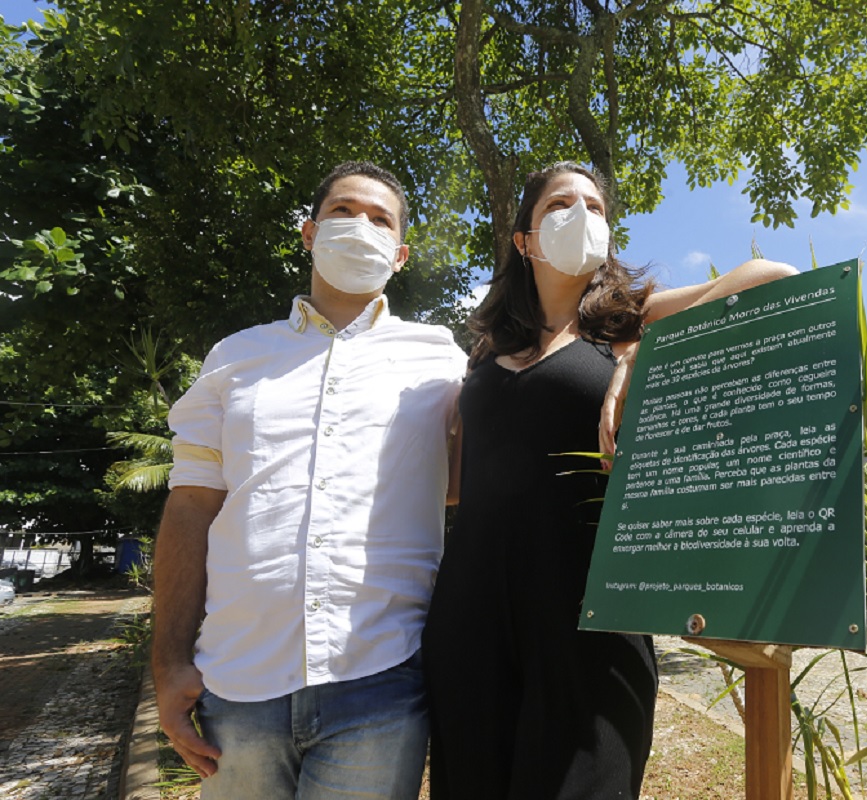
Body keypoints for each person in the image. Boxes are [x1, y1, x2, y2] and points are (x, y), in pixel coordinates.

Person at [421, 161, 796, 799]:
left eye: (595, 207)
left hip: (589, 611)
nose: (582, 216)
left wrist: (642, 355)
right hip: (470, 611)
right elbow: (457, 487)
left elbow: (775, 278)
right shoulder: (486, 349)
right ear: (524, 240)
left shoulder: (630, 321)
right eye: (560, 204)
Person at [152, 161, 467, 800]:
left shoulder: (442, 357)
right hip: (236, 683)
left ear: (400, 254)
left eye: (381, 219)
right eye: (344, 211)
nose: (361, 226)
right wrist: (168, 663)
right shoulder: (235, 358)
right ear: (308, 232)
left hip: (381, 681)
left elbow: (467, 481)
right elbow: (190, 509)